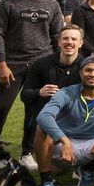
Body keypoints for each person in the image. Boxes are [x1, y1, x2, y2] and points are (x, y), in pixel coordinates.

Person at [0, 0, 64, 159]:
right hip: (12, 65)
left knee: (34, 114)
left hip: (41, 66)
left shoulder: (52, 4)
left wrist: (57, 66)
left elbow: (57, 37)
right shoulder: (9, 2)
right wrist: (2, 64)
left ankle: (27, 153)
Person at [34, 55, 94, 186]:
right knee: (42, 129)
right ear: (81, 73)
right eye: (88, 70)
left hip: (90, 146)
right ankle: (47, 183)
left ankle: (87, 169)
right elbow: (44, 116)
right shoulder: (66, 92)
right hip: (61, 145)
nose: (92, 74)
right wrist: (64, 140)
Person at [17, 24, 85, 168]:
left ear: (80, 43)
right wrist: (39, 92)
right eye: (65, 38)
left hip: (75, 116)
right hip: (49, 116)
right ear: (59, 42)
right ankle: (29, 153)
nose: (69, 42)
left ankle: (82, 162)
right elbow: (24, 95)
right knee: (37, 113)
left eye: (74, 39)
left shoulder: (86, 66)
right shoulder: (41, 64)